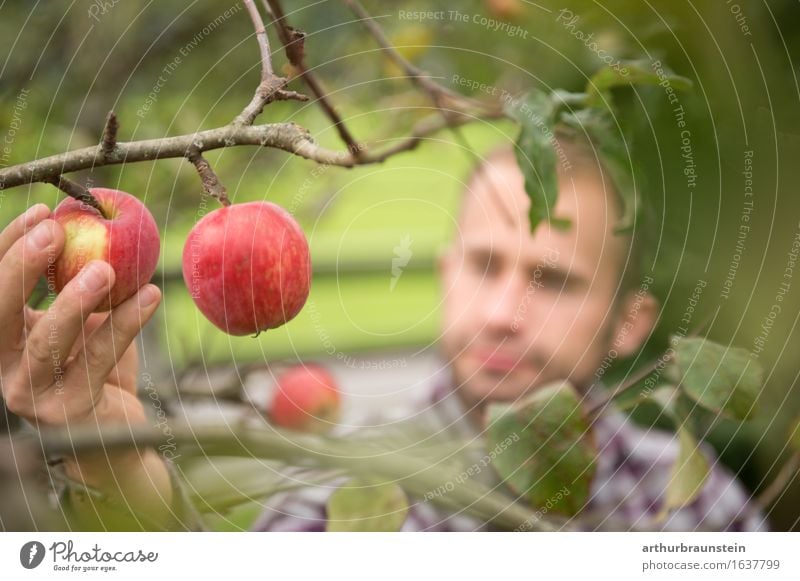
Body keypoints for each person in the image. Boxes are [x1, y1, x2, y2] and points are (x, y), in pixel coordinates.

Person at [0, 132, 766, 532]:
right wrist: (115, 458)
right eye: (486, 264)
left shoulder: (697, 510)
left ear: (630, 322)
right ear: (446, 268)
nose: (504, 309)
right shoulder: (342, 484)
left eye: (554, 279)